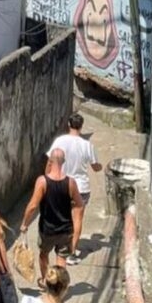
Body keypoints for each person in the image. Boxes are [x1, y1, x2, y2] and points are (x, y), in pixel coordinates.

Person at [19, 149, 83, 287]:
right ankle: (58, 287)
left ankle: (45, 281)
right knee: (61, 259)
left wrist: (25, 224)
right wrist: (77, 230)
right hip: (66, 229)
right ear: (64, 162)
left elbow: (32, 206)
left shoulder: (42, 182)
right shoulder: (71, 183)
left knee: (43, 255)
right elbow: (79, 204)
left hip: (47, 230)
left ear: (50, 161)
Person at [46, 113, 102, 264]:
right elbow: (96, 167)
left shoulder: (59, 141)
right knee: (77, 219)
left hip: (61, 185)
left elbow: (50, 162)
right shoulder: (87, 145)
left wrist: (47, 179)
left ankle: (57, 248)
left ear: (69, 125)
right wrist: (101, 166)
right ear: (81, 126)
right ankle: (70, 254)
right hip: (81, 187)